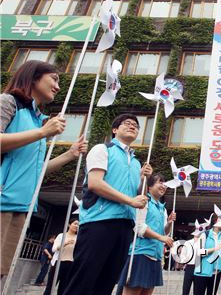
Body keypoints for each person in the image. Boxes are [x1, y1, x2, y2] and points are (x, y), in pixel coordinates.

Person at [1, 60, 88, 279]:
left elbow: (35, 170)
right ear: (33, 77)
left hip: (21, 206)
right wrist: (42, 133)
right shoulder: (8, 102)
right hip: (2, 200)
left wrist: (70, 154)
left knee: (2, 272)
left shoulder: (36, 119)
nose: (58, 87)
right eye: (54, 79)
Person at [62, 114, 152, 295]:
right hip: (99, 222)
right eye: (127, 123)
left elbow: (135, 193)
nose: (132, 126)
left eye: (136, 126)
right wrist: (130, 201)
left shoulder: (135, 163)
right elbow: (95, 184)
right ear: (115, 130)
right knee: (84, 279)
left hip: (125, 225)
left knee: (106, 282)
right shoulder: (102, 149)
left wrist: (143, 179)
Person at [116, 173, 176, 295]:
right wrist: (161, 237)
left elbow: (164, 232)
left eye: (164, 184)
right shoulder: (143, 201)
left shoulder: (162, 209)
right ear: (149, 187)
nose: (163, 186)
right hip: (141, 254)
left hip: (156, 256)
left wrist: (169, 223)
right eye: (160, 182)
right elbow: (139, 228)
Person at [194, 217, 221, 295]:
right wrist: (214, 249)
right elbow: (199, 252)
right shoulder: (205, 234)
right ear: (215, 221)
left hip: (216, 273)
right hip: (202, 272)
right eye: (220, 219)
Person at [43, 219, 79, 295]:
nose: (77, 226)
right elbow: (53, 249)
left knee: (64, 288)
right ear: (69, 225)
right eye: (75, 224)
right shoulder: (61, 236)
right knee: (50, 287)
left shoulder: (78, 238)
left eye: (78, 225)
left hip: (70, 264)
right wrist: (65, 243)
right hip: (58, 263)